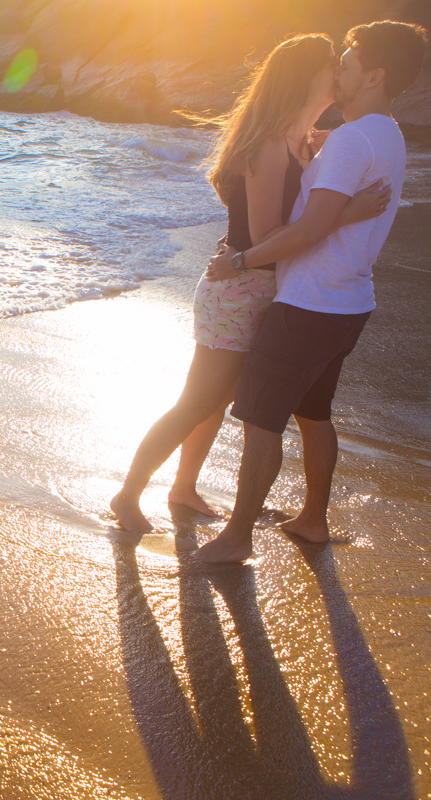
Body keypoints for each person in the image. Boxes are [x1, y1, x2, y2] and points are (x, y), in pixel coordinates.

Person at [109, 34, 391, 535]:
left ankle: (183, 487)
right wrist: (345, 213)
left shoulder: (302, 142)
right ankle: (127, 493)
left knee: (216, 401)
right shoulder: (270, 145)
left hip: (267, 287)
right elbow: (266, 236)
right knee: (197, 400)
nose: (339, 74)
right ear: (306, 78)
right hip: (238, 287)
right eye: (331, 65)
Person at [196, 21, 428, 563]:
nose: (338, 71)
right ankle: (313, 519)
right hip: (349, 300)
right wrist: (313, 160)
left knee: (259, 419)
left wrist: (240, 260)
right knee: (314, 412)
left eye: (346, 64)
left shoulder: (351, 139)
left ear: (374, 75)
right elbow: (326, 212)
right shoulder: (387, 133)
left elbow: (308, 229)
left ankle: (235, 538)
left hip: (309, 303)